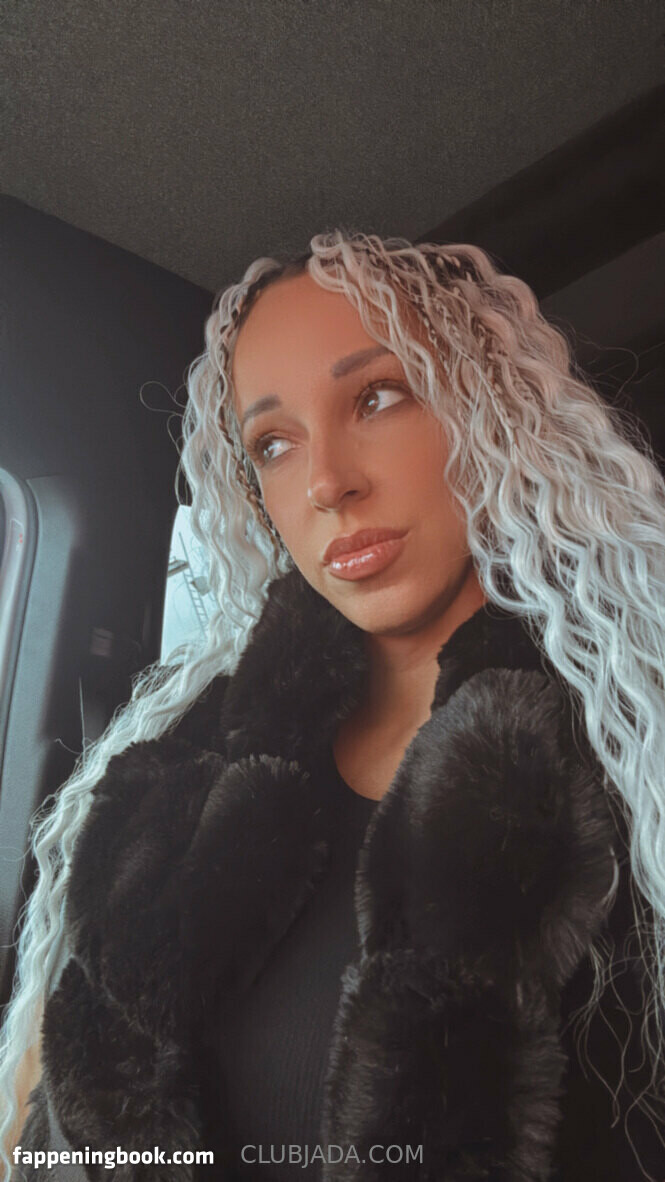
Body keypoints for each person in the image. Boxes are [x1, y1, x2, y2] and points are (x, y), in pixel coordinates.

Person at [1, 229, 665, 1181]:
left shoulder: (632, 760)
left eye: (377, 397)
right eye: (273, 444)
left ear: (493, 410)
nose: (325, 482)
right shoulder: (173, 765)